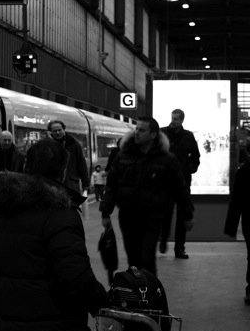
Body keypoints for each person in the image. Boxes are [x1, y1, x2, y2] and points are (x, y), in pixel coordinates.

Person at [0, 138, 108, 331]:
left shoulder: (4, 210)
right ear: (63, 170)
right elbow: (75, 277)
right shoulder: (60, 214)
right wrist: (102, 303)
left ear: (27, 165)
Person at [100, 116, 193, 276]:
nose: (136, 133)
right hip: (128, 216)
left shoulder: (167, 160)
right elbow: (112, 185)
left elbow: (180, 189)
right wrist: (105, 212)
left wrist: (187, 215)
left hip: (152, 216)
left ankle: (150, 295)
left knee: (147, 257)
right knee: (133, 259)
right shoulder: (123, 156)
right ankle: (137, 294)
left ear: (153, 134)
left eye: (142, 130)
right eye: (136, 129)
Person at [160, 109, 201, 259]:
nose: (173, 121)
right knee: (165, 213)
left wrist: (189, 169)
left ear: (182, 120)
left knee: (182, 216)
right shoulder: (162, 133)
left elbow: (196, 156)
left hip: (183, 181)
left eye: (176, 119)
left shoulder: (188, 136)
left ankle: (179, 248)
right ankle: (163, 240)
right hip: (165, 181)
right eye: (172, 118)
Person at [224, 142, 250, 305]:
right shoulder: (244, 172)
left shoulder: (244, 172)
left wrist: (231, 226)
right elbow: (237, 201)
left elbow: (236, 201)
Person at [48, 120, 90, 200]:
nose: (57, 133)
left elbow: (81, 164)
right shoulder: (47, 146)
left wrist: (85, 184)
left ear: (64, 130)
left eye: (59, 130)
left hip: (71, 183)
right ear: (51, 132)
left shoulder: (74, 144)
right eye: (54, 131)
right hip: (53, 184)